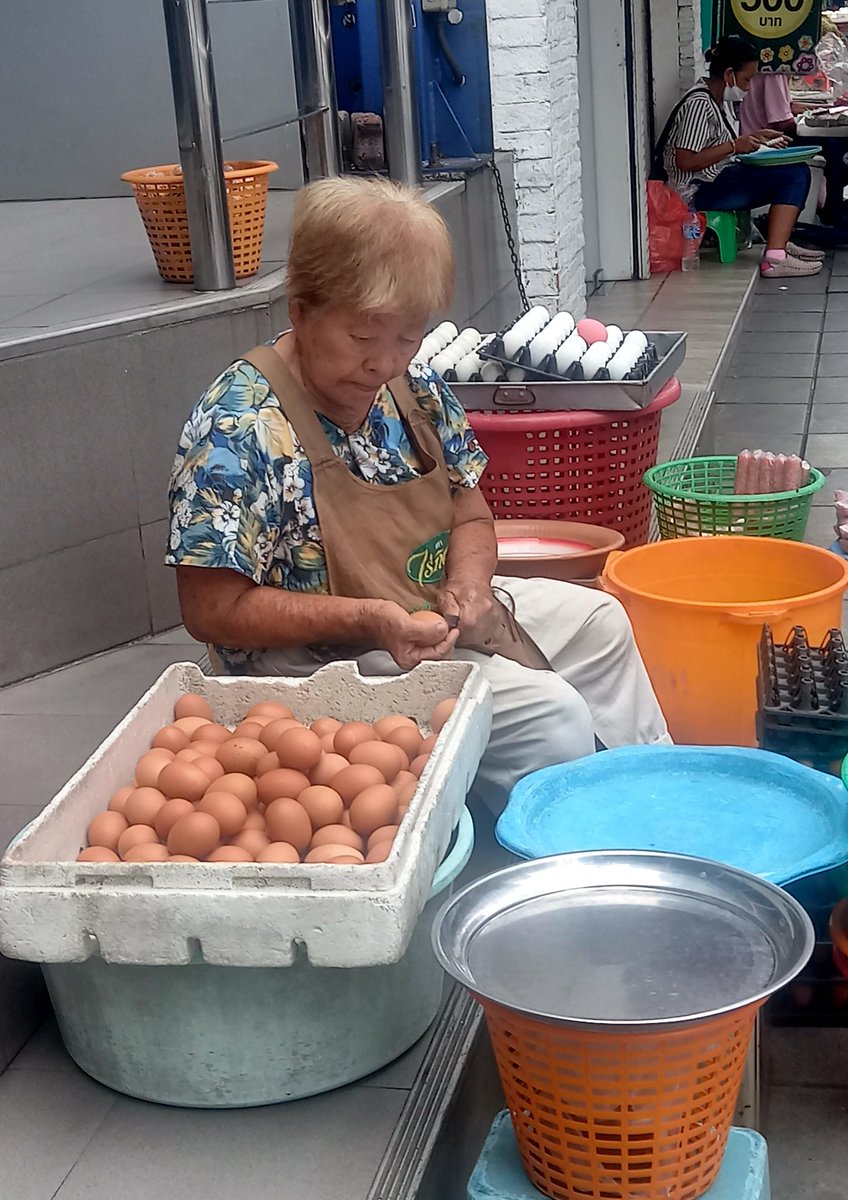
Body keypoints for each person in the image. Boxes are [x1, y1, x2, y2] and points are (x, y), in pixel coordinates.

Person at [165, 177, 670, 813]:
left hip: (420, 612)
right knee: (550, 716)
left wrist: (472, 587)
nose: (383, 362)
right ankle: (539, 855)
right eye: (362, 336)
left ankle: (647, 801)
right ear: (300, 310)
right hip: (311, 662)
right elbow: (210, 608)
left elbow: (469, 508)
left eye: (407, 336)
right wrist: (369, 618)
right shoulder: (238, 425)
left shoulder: (413, 385)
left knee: (601, 624)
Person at [662, 35, 824, 277]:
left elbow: (723, 146)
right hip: (696, 191)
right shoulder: (699, 104)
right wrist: (735, 146)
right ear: (729, 75)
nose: (748, 87)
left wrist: (757, 138)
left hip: (714, 180)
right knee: (795, 175)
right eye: (747, 79)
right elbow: (685, 160)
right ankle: (775, 259)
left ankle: (779, 243)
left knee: (795, 168)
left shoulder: (718, 101)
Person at [741, 71, 847, 228]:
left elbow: (788, 107)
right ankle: (834, 211)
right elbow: (781, 122)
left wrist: (830, 108)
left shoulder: (769, 70)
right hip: (767, 140)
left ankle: (833, 207)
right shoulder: (774, 74)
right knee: (836, 146)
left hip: (758, 136)